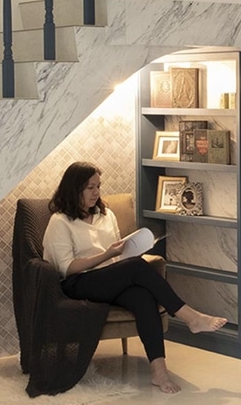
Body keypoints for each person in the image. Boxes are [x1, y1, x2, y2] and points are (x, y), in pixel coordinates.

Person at [42, 161, 227, 394]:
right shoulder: (60, 221)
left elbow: (118, 256)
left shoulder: (105, 214)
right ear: (74, 189)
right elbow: (67, 268)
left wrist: (123, 252)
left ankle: (159, 372)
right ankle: (190, 316)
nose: (97, 192)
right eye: (90, 187)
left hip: (108, 278)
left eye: (98, 186)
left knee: (142, 297)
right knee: (137, 267)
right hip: (77, 283)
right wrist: (108, 254)